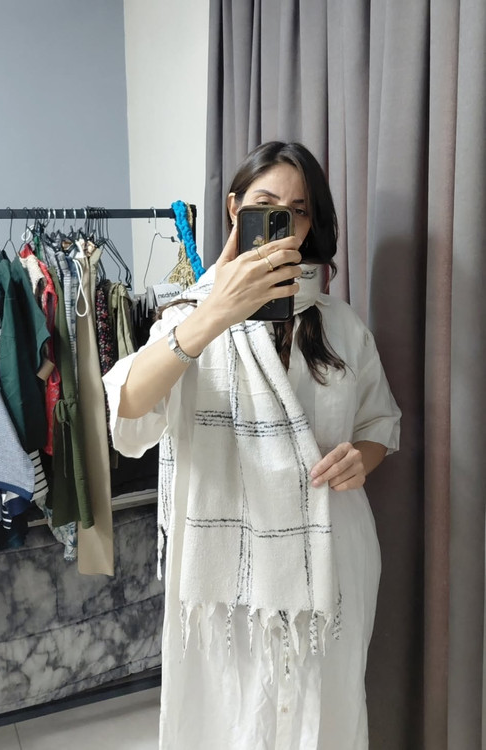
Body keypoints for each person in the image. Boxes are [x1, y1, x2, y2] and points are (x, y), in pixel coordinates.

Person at [103, 141, 401, 750]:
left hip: (330, 560)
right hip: (228, 577)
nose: (282, 224)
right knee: (232, 720)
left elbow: (380, 423)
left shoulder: (341, 325)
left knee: (324, 720)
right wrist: (215, 312)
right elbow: (127, 412)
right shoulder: (188, 317)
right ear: (236, 209)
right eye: (267, 206)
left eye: (297, 211)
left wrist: (361, 459)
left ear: (311, 224)